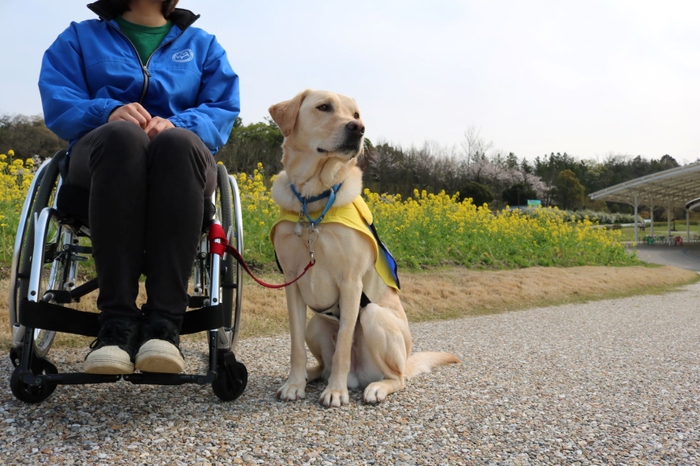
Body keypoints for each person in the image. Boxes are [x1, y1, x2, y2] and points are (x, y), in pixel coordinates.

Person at [38, 0, 239, 375]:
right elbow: (59, 99)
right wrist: (107, 112)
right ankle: (117, 325)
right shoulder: (80, 38)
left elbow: (222, 108)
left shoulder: (203, 45)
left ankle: (164, 326)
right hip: (101, 158)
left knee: (176, 143)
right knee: (123, 136)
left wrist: (180, 123)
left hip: (182, 165)